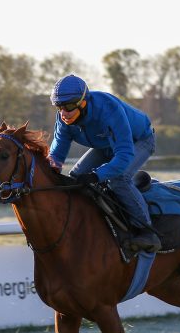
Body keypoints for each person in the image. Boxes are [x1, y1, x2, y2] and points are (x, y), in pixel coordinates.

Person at [47, 74, 161, 253]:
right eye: (59, 107)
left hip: (139, 140)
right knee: (75, 178)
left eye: (68, 106)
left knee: (119, 179)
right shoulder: (63, 118)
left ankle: (147, 231)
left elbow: (123, 155)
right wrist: (51, 168)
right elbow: (57, 151)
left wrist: (96, 175)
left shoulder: (108, 110)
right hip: (106, 144)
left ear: (83, 102)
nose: (64, 113)